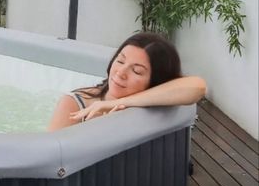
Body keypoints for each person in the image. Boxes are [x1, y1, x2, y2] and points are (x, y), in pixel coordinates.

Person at [47, 32, 207, 132]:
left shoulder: (154, 102)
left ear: (156, 81)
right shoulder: (75, 104)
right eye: (120, 61)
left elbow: (198, 87)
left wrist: (120, 102)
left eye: (136, 71)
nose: (120, 72)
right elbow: (50, 157)